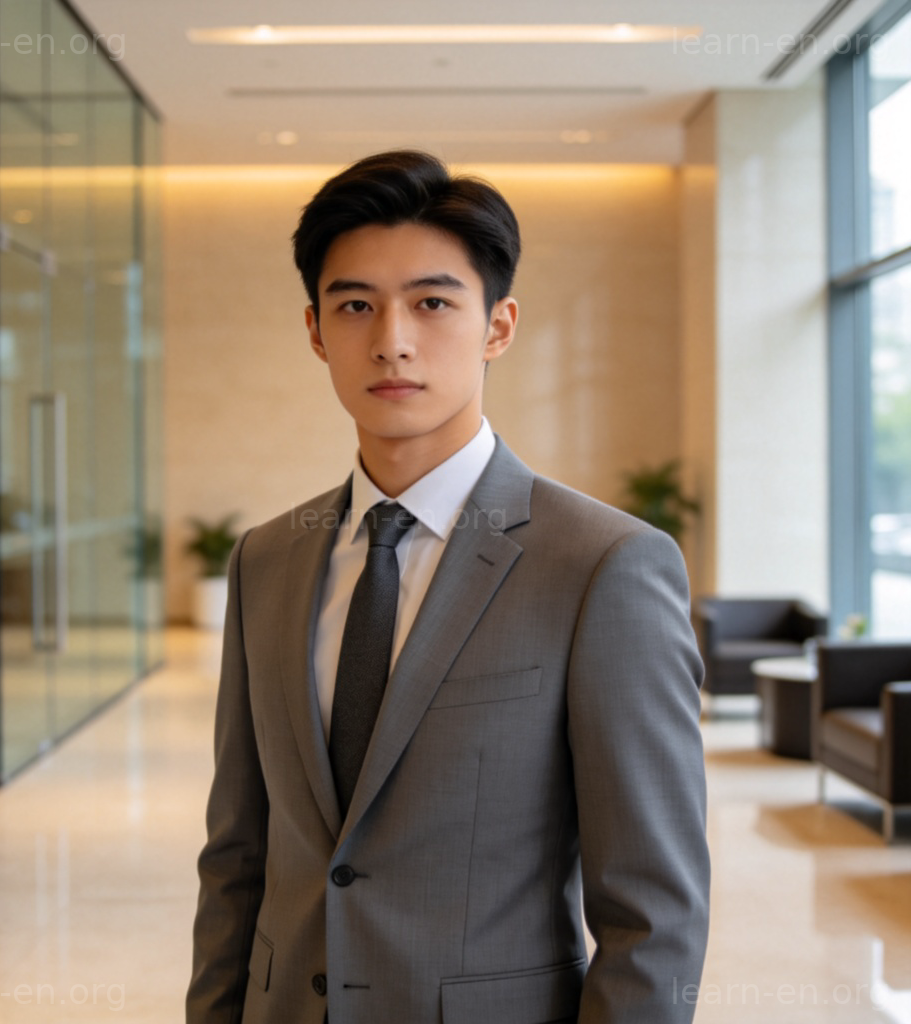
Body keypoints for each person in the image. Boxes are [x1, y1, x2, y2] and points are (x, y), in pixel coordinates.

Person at [187, 150, 710, 1024]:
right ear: (316, 330)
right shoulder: (266, 561)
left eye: (433, 302)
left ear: (498, 326)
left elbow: (653, 911)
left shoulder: (602, 566)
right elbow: (237, 854)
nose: (392, 339)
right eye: (355, 305)